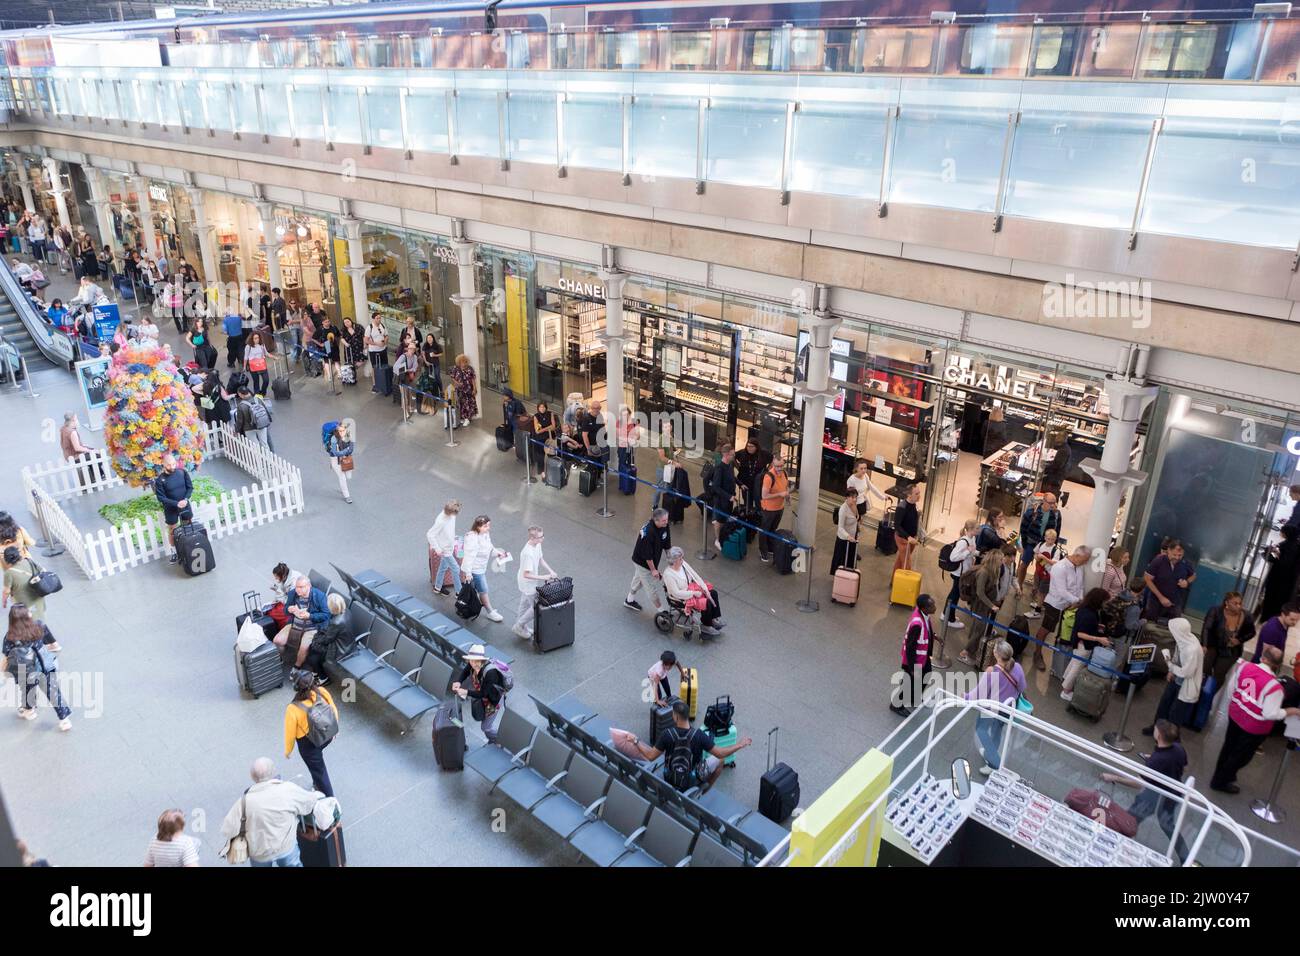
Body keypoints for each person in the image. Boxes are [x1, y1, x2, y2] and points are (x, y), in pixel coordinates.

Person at [1210, 645, 1300, 794]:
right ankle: (1221, 780)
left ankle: (1220, 775)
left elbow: (1231, 689)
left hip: (1236, 715)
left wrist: (1238, 704)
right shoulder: (1274, 687)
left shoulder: (1243, 667)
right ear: (1278, 665)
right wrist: (1289, 711)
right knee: (1241, 756)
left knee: (1228, 747)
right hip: (1254, 727)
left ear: (1263, 657)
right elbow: (1270, 714)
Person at [1101, 720, 1191, 862]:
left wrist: (1115, 777)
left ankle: (1112, 844)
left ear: (1159, 736)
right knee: (1168, 825)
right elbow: (1182, 766)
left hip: (1154, 795)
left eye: (1156, 730)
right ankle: (1186, 858)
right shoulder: (1178, 749)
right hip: (1173, 794)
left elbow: (1138, 783)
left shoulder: (1157, 760)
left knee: (1130, 818)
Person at [632, 699, 752, 793]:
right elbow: (720, 753)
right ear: (687, 716)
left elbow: (650, 756)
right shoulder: (699, 735)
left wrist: (636, 741)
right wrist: (739, 745)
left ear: (676, 716)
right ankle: (702, 791)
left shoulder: (667, 734)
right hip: (691, 780)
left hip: (669, 777)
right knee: (720, 760)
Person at [219, 758, 320, 867]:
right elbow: (309, 803)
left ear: (252, 777)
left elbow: (227, 829)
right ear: (274, 772)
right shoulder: (287, 789)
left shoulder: (243, 802)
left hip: (259, 853)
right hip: (286, 847)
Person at [1, 603, 71, 731]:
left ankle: (29, 711)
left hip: (25, 671)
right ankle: (64, 720)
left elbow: (6, 656)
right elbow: (54, 644)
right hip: (45, 666)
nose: (31, 613)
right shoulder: (39, 626)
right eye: (28, 612)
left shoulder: (10, 637)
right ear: (26, 617)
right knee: (53, 692)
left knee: (28, 690)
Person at [966, 640, 1026, 774]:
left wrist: (966, 697)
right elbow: (1021, 688)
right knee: (996, 732)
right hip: (1008, 709)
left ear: (996, 654)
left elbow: (978, 694)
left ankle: (993, 761)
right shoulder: (1018, 667)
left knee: (981, 729)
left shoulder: (991, 671)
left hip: (991, 708)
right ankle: (990, 754)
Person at [1139, 617, 1204, 733]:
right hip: (1175, 679)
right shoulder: (1182, 640)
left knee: (1175, 714)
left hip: (1185, 685)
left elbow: (1187, 673)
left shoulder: (1192, 649)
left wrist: (1170, 666)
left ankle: (1169, 740)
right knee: (1164, 705)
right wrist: (1171, 671)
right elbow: (1177, 655)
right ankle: (1156, 729)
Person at [1030, 545, 1089, 672]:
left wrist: (1079, 600)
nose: (1086, 563)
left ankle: (1057, 662)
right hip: (1055, 604)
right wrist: (1077, 601)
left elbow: (1081, 587)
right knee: (1045, 630)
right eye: (1085, 560)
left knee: (1064, 634)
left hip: (1071, 606)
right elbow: (1062, 591)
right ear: (1077, 556)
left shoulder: (1080, 567)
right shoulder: (1059, 567)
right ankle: (1037, 654)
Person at [284, 669, 339, 797]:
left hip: (308, 744)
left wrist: (288, 751)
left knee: (319, 771)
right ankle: (317, 783)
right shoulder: (322, 692)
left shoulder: (293, 708)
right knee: (317, 767)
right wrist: (335, 728)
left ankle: (330, 800)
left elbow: (290, 733)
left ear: (296, 687)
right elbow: (333, 709)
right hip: (326, 734)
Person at [1059, 587, 1114, 701]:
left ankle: (1065, 681)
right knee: (1077, 668)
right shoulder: (1091, 615)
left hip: (1077, 644)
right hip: (1084, 646)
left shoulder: (1083, 609)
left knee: (1074, 663)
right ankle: (1066, 691)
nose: (1105, 604)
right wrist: (1099, 639)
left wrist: (1096, 627)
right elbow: (1081, 634)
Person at [661, 546, 725, 637]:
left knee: (713, 593)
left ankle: (713, 619)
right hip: (682, 597)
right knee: (706, 602)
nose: (682, 560)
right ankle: (706, 625)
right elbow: (676, 593)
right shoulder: (668, 575)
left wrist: (705, 590)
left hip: (692, 589)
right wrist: (693, 593)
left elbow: (695, 576)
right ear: (674, 561)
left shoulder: (683, 564)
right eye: (680, 559)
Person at [452, 644, 508, 743]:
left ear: (481, 660)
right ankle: (492, 739)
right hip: (484, 699)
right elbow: (466, 671)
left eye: (475, 660)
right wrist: (459, 681)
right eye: (471, 660)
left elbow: (483, 693)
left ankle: (501, 739)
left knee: (485, 727)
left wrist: (466, 691)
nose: (472, 663)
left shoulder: (491, 673)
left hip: (494, 701)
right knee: (485, 723)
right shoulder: (473, 663)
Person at [893, 594, 937, 716]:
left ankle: (914, 697)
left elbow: (927, 630)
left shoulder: (925, 615)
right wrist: (912, 668)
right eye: (932, 605)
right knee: (909, 681)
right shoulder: (917, 624)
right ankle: (896, 705)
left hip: (923, 656)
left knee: (927, 674)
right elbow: (910, 647)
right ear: (924, 608)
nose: (935, 607)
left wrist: (935, 637)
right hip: (914, 660)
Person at [959, 550, 1004, 666]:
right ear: (994, 560)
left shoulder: (992, 571)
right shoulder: (984, 572)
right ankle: (966, 652)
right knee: (979, 629)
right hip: (980, 605)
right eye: (1000, 559)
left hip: (985, 605)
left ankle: (970, 649)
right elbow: (980, 592)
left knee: (977, 628)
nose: (1002, 562)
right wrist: (992, 605)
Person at [276, 576, 331, 669]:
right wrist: (289, 609)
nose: (298, 590)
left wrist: (310, 616)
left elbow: (326, 615)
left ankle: (297, 666)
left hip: (312, 627)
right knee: (277, 640)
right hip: (295, 623)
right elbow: (285, 610)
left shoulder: (319, 596)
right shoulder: (292, 593)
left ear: (309, 586)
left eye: (301, 587)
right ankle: (280, 658)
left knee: (303, 648)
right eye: (297, 587)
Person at [1202, 591, 1255, 686]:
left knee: (1219, 674)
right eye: (1235, 603)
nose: (1239, 606)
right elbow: (1207, 628)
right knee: (1205, 667)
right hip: (1214, 645)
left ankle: (1212, 694)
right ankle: (1203, 687)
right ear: (1227, 603)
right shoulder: (1216, 611)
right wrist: (1204, 645)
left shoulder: (1246, 616)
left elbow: (1252, 632)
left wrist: (1239, 640)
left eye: (1240, 603)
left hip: (1231, 650)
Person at [513, 526, 557, 641]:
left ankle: (521, 626)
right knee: (536, 607)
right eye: (541, 537)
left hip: (528, 582)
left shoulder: (537, 544)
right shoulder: (527, 553)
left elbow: (541, 559)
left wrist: (550, 570)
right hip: (528, 583)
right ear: (533, 537)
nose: (543, 538)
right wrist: (543, 577)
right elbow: (526, 574)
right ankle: (519, 626)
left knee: (524, 604)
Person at [462, 515, 508, 623]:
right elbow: (469, 556)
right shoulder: (472, 538)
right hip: (475, 569)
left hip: (481, 567)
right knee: (483, 590)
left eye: (489, 525)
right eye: (486, 526)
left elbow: (490, 547)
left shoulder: (485, 534)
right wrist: (468, 573)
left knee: (473, 590)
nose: (488, 528)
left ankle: (469, 606)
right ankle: (490, 611)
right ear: (478, 527)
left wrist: (498, 553)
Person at [625, 508, 671, 615]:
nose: (666, 522)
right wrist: (654, 570)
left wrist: (672, 559)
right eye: (664, 520)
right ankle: (662, 611)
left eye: (666, 520)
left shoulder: (664, 526)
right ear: (656, 520)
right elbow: (648, 556)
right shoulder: (649, 532)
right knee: (650, 586)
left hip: (651, 558)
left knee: (639, 579)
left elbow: (667, 543)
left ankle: (629, 600)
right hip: (642, 561)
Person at [152, 454, 193, 563]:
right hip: (171, 508)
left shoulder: (182, 472)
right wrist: (176, 504)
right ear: (163, 464)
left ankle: (189, 548)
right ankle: (174, 552)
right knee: (173, 531)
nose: (172, 467)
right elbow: (161, 498)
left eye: (174, 464)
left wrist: (186, 499)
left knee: (188, 526)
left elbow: (190, 487)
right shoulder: (160, 480)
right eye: (169, 465)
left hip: (184, 504)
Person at [302, 592, 349, 685]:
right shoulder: (346, 612)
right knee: (312, 650)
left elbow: (327, 640)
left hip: (339, 647)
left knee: (312, 657)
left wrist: (315, 638)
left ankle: (323, 679)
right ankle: (315, 673)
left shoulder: (336, 622)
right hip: (344, 641)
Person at [1143, 539, 1196, 621]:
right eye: (1174, 555)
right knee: (1150, 624)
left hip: (1175, 603)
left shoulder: (1185, 563)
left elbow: (1193, 575)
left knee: (1174, 626)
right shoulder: (1158, 561)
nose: (1177, 558)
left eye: (1180, 555)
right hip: (1156, 601)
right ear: (1168, 550)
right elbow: (1147, 579)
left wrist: (1187, 582)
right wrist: (1161, 598)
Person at [1017, 492, 1061, 590]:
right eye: (1051, 503)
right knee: (1024, 564)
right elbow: (1023, 529)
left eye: (1055, 502)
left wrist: (1053, 548)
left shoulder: (1056, 514)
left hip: (1045, 546)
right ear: (1044, 501)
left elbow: (1057, 531)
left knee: (1040, 568)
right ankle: (1019, 585)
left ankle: (1035, 589)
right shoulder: (1032, 512)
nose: (1053, 505)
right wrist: (1024, 545)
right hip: (1030, 544)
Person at [1257, 525, 1300, 623]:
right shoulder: (1293, 545)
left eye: (1282, 531)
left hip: (1279, 578)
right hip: (1287, 580)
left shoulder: (1289, 546)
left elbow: (1285, 563)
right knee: (1280, 599)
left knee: (1272, 597)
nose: (1280, 533)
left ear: (1286, 533)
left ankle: (1267, 618)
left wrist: (1276, 554)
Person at [944, 519, 978, 628]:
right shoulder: (963, 541)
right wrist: (968, 551)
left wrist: (977, 552)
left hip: (964, 571)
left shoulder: (973, 538)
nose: (979, 530)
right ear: (971, 529)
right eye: (977, 528)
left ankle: (947, 614)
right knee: (955, 594)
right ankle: (949, 617)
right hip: (959, 572)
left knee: (955, 593)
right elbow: (953, 557)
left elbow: (972, 551)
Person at [756, 456, 789, 564]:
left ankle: (769, 547)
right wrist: (780, 494)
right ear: (772, 465)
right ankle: (763, 551)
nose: (779, 468)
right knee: (764, 530)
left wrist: (787, 496)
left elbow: (786, 487)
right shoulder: (768, 477)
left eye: (781, 466)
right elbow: (764, 495)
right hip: (768, 509)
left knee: (772, 529)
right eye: (777, 466)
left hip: (779, 507)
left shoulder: (784, 473)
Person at [427, 500, 463, 596]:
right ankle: (459, 592)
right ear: (450, 511)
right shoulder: (441, 521)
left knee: (443, 567)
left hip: (449, 546)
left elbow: (449, 529)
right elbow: (430, 535)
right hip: (445, 549)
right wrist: (438, 549)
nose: (456, 515)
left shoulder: (452, 515)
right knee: (456, 568)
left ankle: (437, 587)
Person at [1027, 529, 1064, 618]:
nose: (1050, 541)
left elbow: (1055, 563)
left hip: (1048, 574)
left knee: (1042, 592)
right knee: (1038, 588)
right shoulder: (1041, 544)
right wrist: (1037, 558)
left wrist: (1044, 558)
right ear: (1045, 538)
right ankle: (1039, 603)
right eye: (1048, 539)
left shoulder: (1056, 550)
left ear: (1055, 539)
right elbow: (1035, 553)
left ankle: (1037, 611)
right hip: (1039, 571)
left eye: (1052, 539)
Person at [708, 445, 738, 552]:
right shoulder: (719, 468)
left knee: (724, 519)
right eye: (732, 454)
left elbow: (732, 478)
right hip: (721, 500)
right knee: (718, 520)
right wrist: (729, 496)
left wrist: (740, 483)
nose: (734, 456)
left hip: (728, 499)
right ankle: (717, 540)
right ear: (725, 454)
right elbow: (716, 487)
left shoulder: (729, 465)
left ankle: (722, 536)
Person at [59, 411, 99, 488]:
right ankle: (98, 476)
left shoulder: (64, 429)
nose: (77, 421)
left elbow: (71, 444)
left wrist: (85, 447)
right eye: (76, 419)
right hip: (75, 456)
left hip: (68, 455)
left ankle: (93, 477)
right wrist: (90, 450)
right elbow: (77, 448)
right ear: (73, 420)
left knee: (91, 452)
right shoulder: (72, 432)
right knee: (96, 455)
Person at [893, 483, 922, 576]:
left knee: (901, 561)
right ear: (909, 495)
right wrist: (908, 537)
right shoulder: (902, 507)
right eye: (916, 494)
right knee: (907, 564)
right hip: (903, 539)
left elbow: (911, 520)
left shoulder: (914, 505)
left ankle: (894, 581)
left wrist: (918, 515)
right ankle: (904, 587)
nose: (919, 496)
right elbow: (897, 525)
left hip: (911, 538)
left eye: (919, 493)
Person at [829, 489, 860, 577]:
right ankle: (840, 578)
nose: (854, 499)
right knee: (842, 560)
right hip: (844, 539)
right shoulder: (843, 509)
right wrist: (848, 536)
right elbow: (840, 528)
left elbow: (856, 519)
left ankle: (849, 577)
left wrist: (857, 531)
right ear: (847, 497)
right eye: (852, 497)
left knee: (851, 559)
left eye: (855, 497)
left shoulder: (854, 505)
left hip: (853, 538)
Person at [734, 438, 772, 510]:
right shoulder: (742, 453)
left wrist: (767, 471)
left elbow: (773, 459)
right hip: (745, 482)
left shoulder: (763, 453)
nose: (749, 448)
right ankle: (748, 515)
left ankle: (758, 516)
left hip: (758, 482)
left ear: (756, 447)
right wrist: (738, 467)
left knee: (759, 501)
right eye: (748, 446)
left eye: (751, 446)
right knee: (747, 502)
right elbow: (733, 457)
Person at [325, 419, 355, 504]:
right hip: (335, 460)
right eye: (339, 430)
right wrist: (346, 450)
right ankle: (347, 495)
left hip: (346, 459)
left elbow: (351, 449)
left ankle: (343, 487)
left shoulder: (349, 436)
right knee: (342, 477)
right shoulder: (334, 438)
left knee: (348, 477)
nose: (341, 432)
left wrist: (344, 452)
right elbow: (335, 453)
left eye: (343, 430)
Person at [393, 343, 422, 415]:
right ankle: (405, 411)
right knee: (404, 395)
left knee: (409, 393)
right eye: (411, 349)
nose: (412, 350)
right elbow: (395, 367)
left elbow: (415, 367)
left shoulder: (414, 356)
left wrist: (408, 370)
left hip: (408, 377)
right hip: (401, 378)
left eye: (414, 349)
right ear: (408, 349)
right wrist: (407, 369)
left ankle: (409, 407)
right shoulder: (403, 357)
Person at [450, 354, 477, 423]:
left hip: (468, 389)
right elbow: (452, 377)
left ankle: (467, 418)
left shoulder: (470, 369)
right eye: (462, 362)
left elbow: (473, 379)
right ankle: (462, 417)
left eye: (465, 362)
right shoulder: (455, 368)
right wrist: (457, 383)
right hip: (459, 389)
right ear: (459, 362)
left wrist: (474, 388)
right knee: (460, 403)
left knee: (468, 404)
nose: (464, 363)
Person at [243, 331, 270, 397]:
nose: (257, 340)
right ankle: (257, 395)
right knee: (256, 382)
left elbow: (266, 353)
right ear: (251, 339)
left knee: (266, 380)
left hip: (262, 365)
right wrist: (244, 367)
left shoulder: (262, 345)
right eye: (255, 338)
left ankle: (263, 392)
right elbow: (246, 357)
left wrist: (274, 357)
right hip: (253, 366)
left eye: (257, 338)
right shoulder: (248, 347)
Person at [364, 316, 389, 380]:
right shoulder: (369, 327)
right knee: (374, 367)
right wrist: (376, 343)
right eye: (377, 318)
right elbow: (366, 340)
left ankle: (384, 380)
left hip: (383, 349)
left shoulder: (382, 325)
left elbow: (386, 335)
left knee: (385, 365)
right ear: (373, 319)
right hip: (374, 351)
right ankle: (375, 383)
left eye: (380, 318)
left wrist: (385, 342)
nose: (379, 319)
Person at [419, 331, 443, 396]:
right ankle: (430, 390)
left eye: (430, 338)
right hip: (427, 363)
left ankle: (441, 390)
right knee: (428, 376)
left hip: (435, 363)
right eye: (428, 338)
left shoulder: (437, 345)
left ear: (433, 338)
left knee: (437, 376)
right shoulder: (425, 345)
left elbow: (441, 354)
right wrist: (426, 361)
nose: (429, 339)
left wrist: (435, 355)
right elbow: (423, 353)